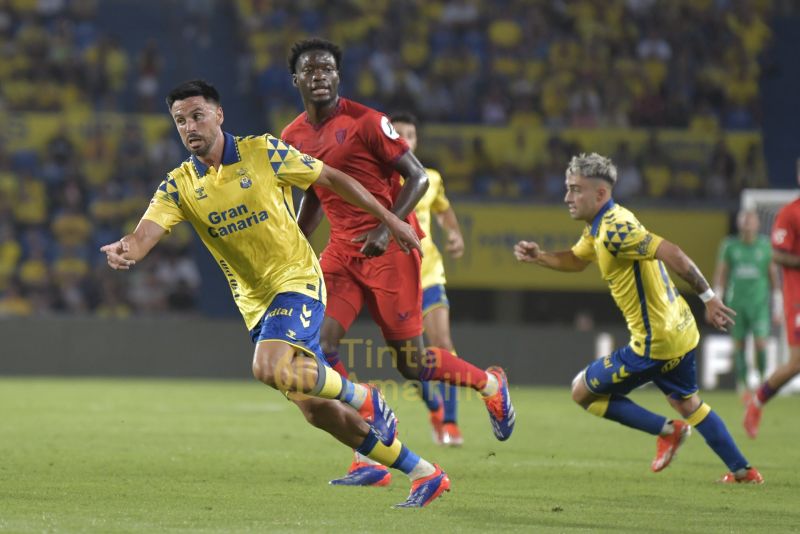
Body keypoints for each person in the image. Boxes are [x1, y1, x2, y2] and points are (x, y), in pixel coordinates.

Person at [100, 79, 450, 508]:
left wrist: (390, 219)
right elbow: (142, 238)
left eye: (197, 115)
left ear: (219, 114)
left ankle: (365, 396)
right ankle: (423, 471)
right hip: (256, 305)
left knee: (267, 366)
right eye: (180, 121)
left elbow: (332, 178)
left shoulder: (263, 151)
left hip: (298, 280)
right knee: (315, 409)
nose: (189, 126)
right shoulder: (179, 186)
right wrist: (124, 250)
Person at [281, 38, 514, 486]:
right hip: (342, 253)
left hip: (391, 250)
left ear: (338, 76)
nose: (320, 76)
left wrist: (386, 227)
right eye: (311, 69)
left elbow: (419, 177)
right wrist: (294, 242)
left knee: (412, 363)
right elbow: (313, 194)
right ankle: (367, 449)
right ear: (296, 80)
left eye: (328, 68)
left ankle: (490, 385)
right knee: (317, 347)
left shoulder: (368, 122)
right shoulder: (293, 136)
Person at [513, 152, 763, 484]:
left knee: (581, 391)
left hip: (654, 344)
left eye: (575, 189)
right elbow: (576, 259)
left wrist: (709, 296)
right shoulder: (602, 223)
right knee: (688, 403)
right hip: (682, 332)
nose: (567, 198)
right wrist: (540, 257)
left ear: (600, 194)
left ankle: (668, 432)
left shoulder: (615, 228)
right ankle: (744, 471)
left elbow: (673, 252)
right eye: (567, 188)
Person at [390, 111, 466, 446]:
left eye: (411, 134)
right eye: (398, 133)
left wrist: (455, 233)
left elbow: (444, 209)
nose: (405, 139)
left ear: (417, 140)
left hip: (430, 273)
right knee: (409, 359)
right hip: (394, 279)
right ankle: (434, 407)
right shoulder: (379, 177)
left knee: (443, 344)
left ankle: (450, 422)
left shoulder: (430, 178)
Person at [743, 162, 800, 439]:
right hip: (798, 299)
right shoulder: (790, 214)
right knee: (796, 363)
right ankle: (757, 402)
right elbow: (777, 255)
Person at [711, 209, 780, 401]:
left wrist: (778, 304)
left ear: (758, 224)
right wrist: (717, 299)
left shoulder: (765, 246)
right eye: (744, 220)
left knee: (761, 343)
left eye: (751, 220)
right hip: (736, 305)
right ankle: (742, 384)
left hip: (759, 305)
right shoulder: (730, 246)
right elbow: (722, 274)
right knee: (739, 345)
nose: (747, 223)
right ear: (739, 224)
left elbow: (773, 276)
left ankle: (762, 379)